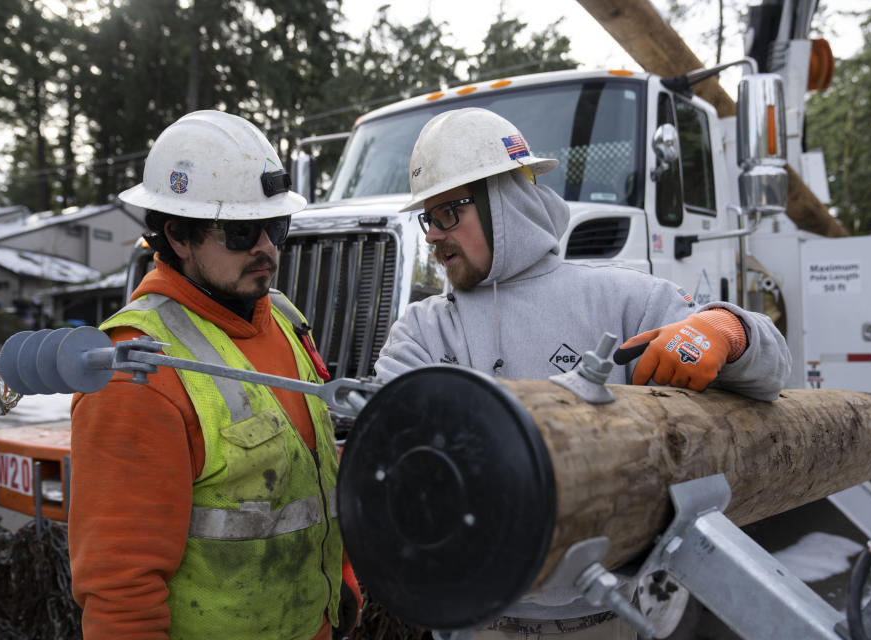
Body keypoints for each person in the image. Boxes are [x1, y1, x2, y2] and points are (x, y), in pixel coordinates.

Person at [374, 107, 792, 638]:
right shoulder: (424, 330)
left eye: (447, 214)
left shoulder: (622, 299)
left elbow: (773, 371)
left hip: (609, 618)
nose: (432, 236)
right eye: (427, 219)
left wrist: (727, 331)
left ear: (505, 201)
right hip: (472, 621)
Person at [69, 110, 361, 640]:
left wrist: (340, 585)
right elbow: (120, 589)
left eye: (276, 226)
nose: (267, 247)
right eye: (243, 231)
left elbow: (310, 476)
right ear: (177, 236)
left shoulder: (285, 319)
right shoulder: (137, 371)